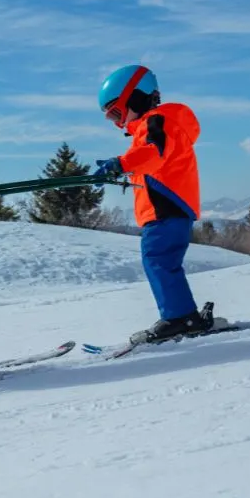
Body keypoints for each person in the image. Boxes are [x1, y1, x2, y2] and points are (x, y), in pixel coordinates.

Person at [93, 64, 211, 344]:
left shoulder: (158, 122)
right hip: (167, 208)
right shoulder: (155, 125)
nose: (116, 122)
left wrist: (120, 163)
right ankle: (183, 315)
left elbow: (154, 153)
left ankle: (180, 317)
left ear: (135, 97)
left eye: (116, 113)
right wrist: (122, 169)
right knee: (161, 260)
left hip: (167, 208)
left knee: (158, 259)